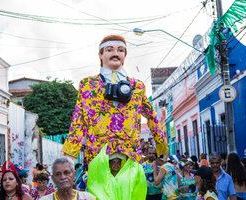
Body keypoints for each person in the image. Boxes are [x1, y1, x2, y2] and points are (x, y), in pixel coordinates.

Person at [61, 34, 168, 199]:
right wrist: (69, 156)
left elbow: (152, 117)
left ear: (125, 56)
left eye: (120, 50)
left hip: (130, 157)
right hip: (99, 156)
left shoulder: (136, 86)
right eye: (109, 49)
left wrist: (162, 148)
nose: (115, 53)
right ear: (101, 55)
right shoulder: (88, 85)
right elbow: (78, 122)